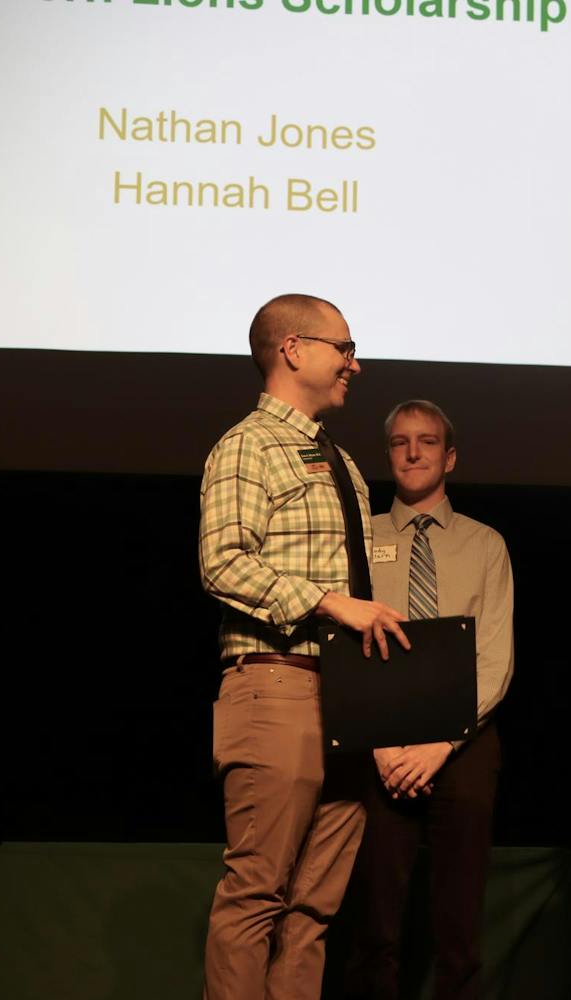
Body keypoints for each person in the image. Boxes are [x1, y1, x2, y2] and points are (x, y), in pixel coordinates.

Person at [198, 293, 409, 999]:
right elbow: (223, 563)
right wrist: (327, 602)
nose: (356, 363)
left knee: (315, 908)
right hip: (277, 685)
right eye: (344, 348)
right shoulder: (248, 446)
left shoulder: (340, 460)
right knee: (256, 894)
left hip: (347, 699)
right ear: (293, 349)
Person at [344, 399, 514, 1000]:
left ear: (450, 457)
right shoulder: (359, 537)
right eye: (400, 442)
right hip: (377, 742)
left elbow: (495, 656)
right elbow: (340, 643)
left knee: (459, 920)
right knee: (374, 917)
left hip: (462, 741)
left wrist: (442, 742)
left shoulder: (485, 544)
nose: (413, 453)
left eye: (427, 441)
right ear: (388, 454)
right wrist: (381, 744)